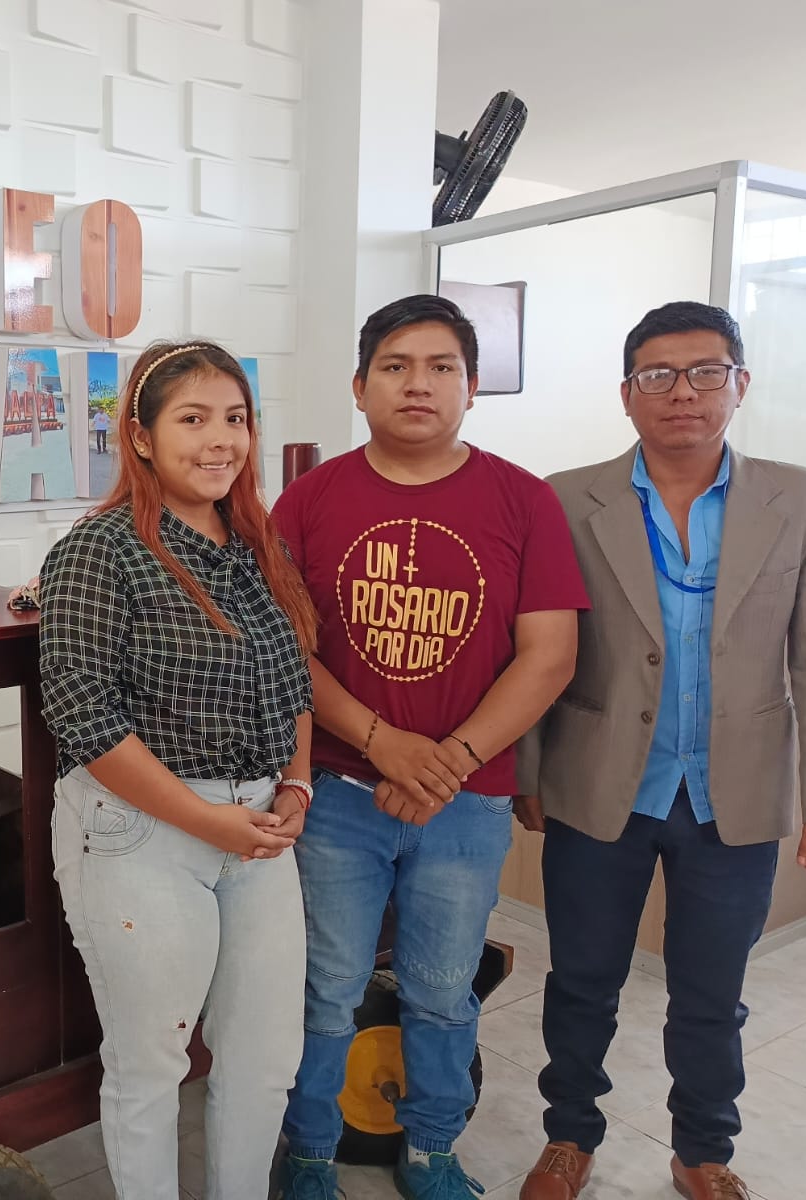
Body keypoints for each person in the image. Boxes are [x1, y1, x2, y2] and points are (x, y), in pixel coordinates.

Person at [514, 302, 806, 1200]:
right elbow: (536, 647)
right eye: (658, 375)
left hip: (733, 793)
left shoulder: (802, 499)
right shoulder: (565, 499)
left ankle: (704, 1149)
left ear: (739, 384)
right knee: (582, 979)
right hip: (598, 783)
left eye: (706, 372)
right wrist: (527, 772)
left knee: (712, 991)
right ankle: (569, 1136)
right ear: (626, 394)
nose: (683, 392)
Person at [272, 295, 590, 1200]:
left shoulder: (523, 499)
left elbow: (550, 654)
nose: (419, 384)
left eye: (442, 366)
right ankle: (309, 1150)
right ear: (359, 386)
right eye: (396, 366)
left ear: (471, 386)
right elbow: (283, 647)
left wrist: (444, 760)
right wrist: (381, 743)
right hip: (337, 794)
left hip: (467, 800)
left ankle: (432, 1149)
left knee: (444, 989)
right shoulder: (309, 500)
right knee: (327, 985)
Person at [37, 340, 321, 1200]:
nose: (219, 439)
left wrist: (297, 782)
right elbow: (84, 716)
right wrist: (207, 821)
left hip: (258, 827)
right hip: (144, 829)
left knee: (266, 1057)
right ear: (142, 437)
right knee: (151, 1062)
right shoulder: (101, 550)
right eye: (192, 419)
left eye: (235, 418)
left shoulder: (257, 544)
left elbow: (293, 680)